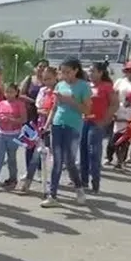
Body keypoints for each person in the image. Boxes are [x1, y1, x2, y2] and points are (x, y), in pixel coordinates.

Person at [41, 57, 91, 208]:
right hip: (57, 123)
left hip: (73, 125)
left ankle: (79, 188)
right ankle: (52, 195)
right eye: (62, 72)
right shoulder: (60, 85)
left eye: (68, 72)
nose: (65, 75)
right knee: (57, 160)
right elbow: (54, 108)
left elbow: (87, 110)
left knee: (69, 161)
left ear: (76, 71)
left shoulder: (84, 86)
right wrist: (47, 125)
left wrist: (72, 101)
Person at [16, 66, 58, 194]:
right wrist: (44, 111)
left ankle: (50, 187)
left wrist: (48, 112)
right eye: (44, 79)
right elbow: (38, 107)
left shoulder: (58, 91)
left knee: (53, 157)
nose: (46, 82)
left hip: (54, 126)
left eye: (49, 79)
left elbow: (55, 109)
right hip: (40, 125)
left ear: (55, 77)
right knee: (35, 154)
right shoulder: (43, 91)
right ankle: (28, 183)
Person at [79, 61, 116, 192]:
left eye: (93, 71)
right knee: (83, 151)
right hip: (84, 121)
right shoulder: (86, 85)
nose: (90, 73)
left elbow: (114, 104)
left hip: (97, 123)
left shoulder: (107, 86)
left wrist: (106, 120)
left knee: (93, 152)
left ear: (100, 73)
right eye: (89, 71)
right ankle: (83, 181)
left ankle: (95, 183)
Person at [0, 83, 27, 190]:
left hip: (14, 134)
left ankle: (12, 179)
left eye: (11, 92)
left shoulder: (20, 104)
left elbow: (24, 119)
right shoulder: (1, 103)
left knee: (11, 158)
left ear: (16, 93)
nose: (9, 94)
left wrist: (12, 120)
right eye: (7, 92)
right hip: (2, 133)